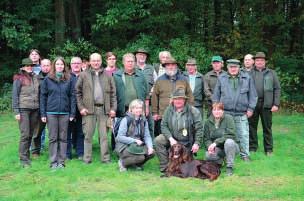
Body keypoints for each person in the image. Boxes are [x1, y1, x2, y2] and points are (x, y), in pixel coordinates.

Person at [212, 59, 257, 162]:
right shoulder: (221, 78)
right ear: (227, 67)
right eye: (231, 67)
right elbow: (216, 95)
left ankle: (245, 155)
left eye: (235, 67)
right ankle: (223, 154)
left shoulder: (247, 78)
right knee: (224, 134)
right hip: (225, 112)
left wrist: (251, 108)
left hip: (241, 112)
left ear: (239, 68)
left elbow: (253, 95)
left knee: (243, 134)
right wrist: (216, 108)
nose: (233, 69)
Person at [76, 53, 117, 164]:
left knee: (103, 137)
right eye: (94, 60)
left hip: (104, 110)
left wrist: (113, 108)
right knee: (88, 136)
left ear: (101, 61)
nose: (96, 62)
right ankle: (87, 159)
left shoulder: (108, 75)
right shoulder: (83, 75)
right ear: (90, 62)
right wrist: (81, 108)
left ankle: (105, 159)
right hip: (89, 110)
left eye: (98, 60)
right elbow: (77, 92)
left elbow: (113, 94)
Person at [154, 88, 203, 173]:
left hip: (187, 143)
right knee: (158, 140)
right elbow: (163, 126)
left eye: (180, 99)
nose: (178, 101)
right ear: (172, 100)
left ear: (184, 100)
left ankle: (179, 162)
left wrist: (197, 143)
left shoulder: (193, 111)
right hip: (173, 140)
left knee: (186, 166)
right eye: (176, 99)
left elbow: (199, 129)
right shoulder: (168, 110)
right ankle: (165, 165)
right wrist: (170, 139)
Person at [40, 57, 76, 169]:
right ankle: (53, 162)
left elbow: (72, 97)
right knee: (53, 138)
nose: (59, 66)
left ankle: (61, 161)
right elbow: (43, 97)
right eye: (57, 64)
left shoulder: (69, 79)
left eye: (62, 64)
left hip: (65, 113)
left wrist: (72, 113)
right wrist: (43, 114)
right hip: (51, 112)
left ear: (64, 66)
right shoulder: (47, 79)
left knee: (63, 138)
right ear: (54, 66)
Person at [152, 57, 193, 137]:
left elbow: (190, 95)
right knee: (163, 136)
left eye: (173, 65)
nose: (170, 67)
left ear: (176, 66)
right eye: (168, 65)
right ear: (165, 67)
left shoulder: (183, 79)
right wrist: (155, 112)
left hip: (181, 114)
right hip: (163, 114)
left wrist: (189, 110)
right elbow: (154, 97)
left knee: (180, 136)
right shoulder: (159, 80)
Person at [249, 52, 281, 156]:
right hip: (253, 104)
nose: (259, 62)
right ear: (254, 61)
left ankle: (268, 149)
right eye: (257, 60)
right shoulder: (249, 73)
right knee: (252, 127)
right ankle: (253, 147)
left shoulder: (271, 73)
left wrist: (276, 104)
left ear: (265, 61)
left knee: (267, 127)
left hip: (267, 104)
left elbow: (277, 89)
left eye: (261, 60)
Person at [12, 58, 40, 168]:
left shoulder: (35, 77)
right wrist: (16, 111)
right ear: (22, 67)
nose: (29, 67)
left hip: (34, 109)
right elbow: (15, 95)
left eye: (30, 65)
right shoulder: (18, 78)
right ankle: (23, 159)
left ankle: (27, 156)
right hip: (23, 109)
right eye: (27, 66)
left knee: (30, 134)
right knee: (25, 134)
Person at [115, 99, 154, 172]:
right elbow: (119, 137)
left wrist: (150, 147)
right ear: (131, 109)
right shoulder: (126, 119)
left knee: (152, 153)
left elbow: (147, 136)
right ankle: (123, 163)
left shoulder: (144, 120)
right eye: (136, 108)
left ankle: (136, 164)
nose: (138, 110)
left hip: (137, 146)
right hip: (124, 146)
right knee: (141, 158)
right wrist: (134, 140)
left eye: (140, 108)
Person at [203, 102, 239, 176]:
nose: (217, 112)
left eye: (219, 110)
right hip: (218, 148)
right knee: (208, 155)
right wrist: (210, 146)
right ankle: (220, 161)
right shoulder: (207, 122)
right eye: (214, 110)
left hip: (231, 147)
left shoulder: (229, 118)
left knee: (229, 142)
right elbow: (206, 138)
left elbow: (230, 134)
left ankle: (229, 166)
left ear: (222, 111)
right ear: (212, 111)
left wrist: (215, 143)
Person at [113, 53, 149, 118]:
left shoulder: (141, 75)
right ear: (123, 62)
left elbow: (146, 93)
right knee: (123, 127)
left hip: (138, 109)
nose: (130, 63)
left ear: (135, 62)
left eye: (132, 61)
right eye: (128, 61)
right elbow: (112, 94)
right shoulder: (116, 75)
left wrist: (146, 107)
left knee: (138, 127)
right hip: (122, 109)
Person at [135, 48, 156, 139]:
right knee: (136, 123)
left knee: (150, 124)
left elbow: (157, 82)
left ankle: (150, 144)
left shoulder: (151, 68)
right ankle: (137, 142)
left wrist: (153, 90)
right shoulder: (132, 67)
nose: (142, 56)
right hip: (135, 102)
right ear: (136, 56)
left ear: (146, 57)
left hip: (150, 102)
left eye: (144, 55)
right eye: (140, 54)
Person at [31, 59, 51, 156]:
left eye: (48, 65)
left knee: (54, 132)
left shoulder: (54, 77)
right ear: (40, 66)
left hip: (53, 107)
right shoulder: (35, 78)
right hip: (39, 108)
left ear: (51, 66)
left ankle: (55, 151)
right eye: (44, 65)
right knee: (37, 131)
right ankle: (35, 151)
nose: (46, 67)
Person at [66, 57, 84, 160]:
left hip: (82, 109)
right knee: (68, 132)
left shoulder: (85, 75)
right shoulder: (66, 76)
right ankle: (67, 154)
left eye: (78, 63)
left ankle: (80, 153)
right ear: (70, 65)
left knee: (81, 132)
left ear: (82, 64)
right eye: (74, 63)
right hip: (68, 109)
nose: (76, 65)